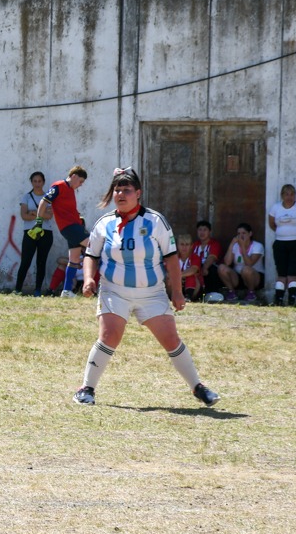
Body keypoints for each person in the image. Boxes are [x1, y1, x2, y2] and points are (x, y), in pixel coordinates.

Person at [73, 167, 218, 407]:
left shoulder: (155, 221)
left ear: (138, 193)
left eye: (126, 190)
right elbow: (91, 254)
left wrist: (178, 293)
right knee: (109, 335)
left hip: (151, 292)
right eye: (117, 189)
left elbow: (171, 257)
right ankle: (86, 389)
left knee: (171, 339)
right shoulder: (104, 223)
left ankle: (198, 387)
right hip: (114, 290)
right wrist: (89, 278)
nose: (120, 194)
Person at [29, 165, 88, 297]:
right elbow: (44, 202)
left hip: (73, 226)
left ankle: (66, 291)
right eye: (81, 181)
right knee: (96, 247)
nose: (81, 185)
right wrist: (38, 222)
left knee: (74, 260)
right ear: (74, 176)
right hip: (71, 228)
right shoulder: (59, 186)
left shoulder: (70, 189)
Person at [14, 171, 54, 296]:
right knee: (25, 261)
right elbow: (23, 215)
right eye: (35, 181)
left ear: (43, 182)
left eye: (39, 181)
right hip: (30, 232)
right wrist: (40, 213)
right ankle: (18, 289)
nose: (37, 184)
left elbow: (49, 216)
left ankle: (37, 290)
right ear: (31, 182)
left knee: (41, 262)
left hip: (45, 232)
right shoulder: (26, 197)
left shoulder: (48, 197)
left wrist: (34, 212)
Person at [217, 223, 266, 304]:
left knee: (246, 269)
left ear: (250, 234)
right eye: (239, 234)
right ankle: (231, 292)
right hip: (238, 277)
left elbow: (249, 264)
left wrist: (243, 247)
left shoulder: (258, 246)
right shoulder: (236, 246)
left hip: (255, 278)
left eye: (244, 233)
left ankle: (251, 293)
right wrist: (232, 244)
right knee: (221, 267)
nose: (241, 236)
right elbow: (227, 262)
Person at [193, 221, 224, 295]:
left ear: (209, 231)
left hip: (209, 268)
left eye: (205, 230)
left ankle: (212, 292)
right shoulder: (194, 245)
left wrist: (204, 268)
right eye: (200, 230)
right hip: (197, 268)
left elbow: (212, 257)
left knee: (211, 270)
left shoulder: (214, 244)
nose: (202, 232)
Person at [176, 233, 203, 301]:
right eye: (182, 244)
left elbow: (193, 269)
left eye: (187, 244)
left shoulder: (195, 257)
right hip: (177, 287)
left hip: (194, 288)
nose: (184, 247)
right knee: (169, 278)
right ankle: (171, 297)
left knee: (191, 275)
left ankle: (188, 297)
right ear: (177, 246)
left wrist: (178, 276)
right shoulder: (173, 259)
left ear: (191, 246)